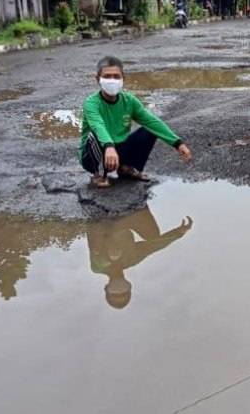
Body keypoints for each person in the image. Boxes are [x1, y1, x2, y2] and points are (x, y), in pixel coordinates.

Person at [80, 56, 193, 188]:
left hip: (117, 149)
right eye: (107, 76)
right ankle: (99, 174)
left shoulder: (129, 101)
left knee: (149, 130)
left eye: (116, 76)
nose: (112, 80)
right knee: (94, 134)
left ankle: (126, 168)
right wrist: (109, 146)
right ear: (98, 79)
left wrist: (178, 143)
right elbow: (98, 125)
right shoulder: (91, 103)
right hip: (94, 154)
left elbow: (151, 121)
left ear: (123, 78)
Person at [87, 207, 193, 309]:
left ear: (107, 288)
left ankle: (98, 207)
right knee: (153, 236)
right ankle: (138, 203)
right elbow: (153, 246)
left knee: (102, 250)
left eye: (115, 293)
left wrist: (109, 258)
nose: (119, 289)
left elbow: (98, 260)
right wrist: (178, 233)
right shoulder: (132, 259)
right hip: (123, 219)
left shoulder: (97, 268)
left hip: (100, 221)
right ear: (129, 286)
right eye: (123, 292)